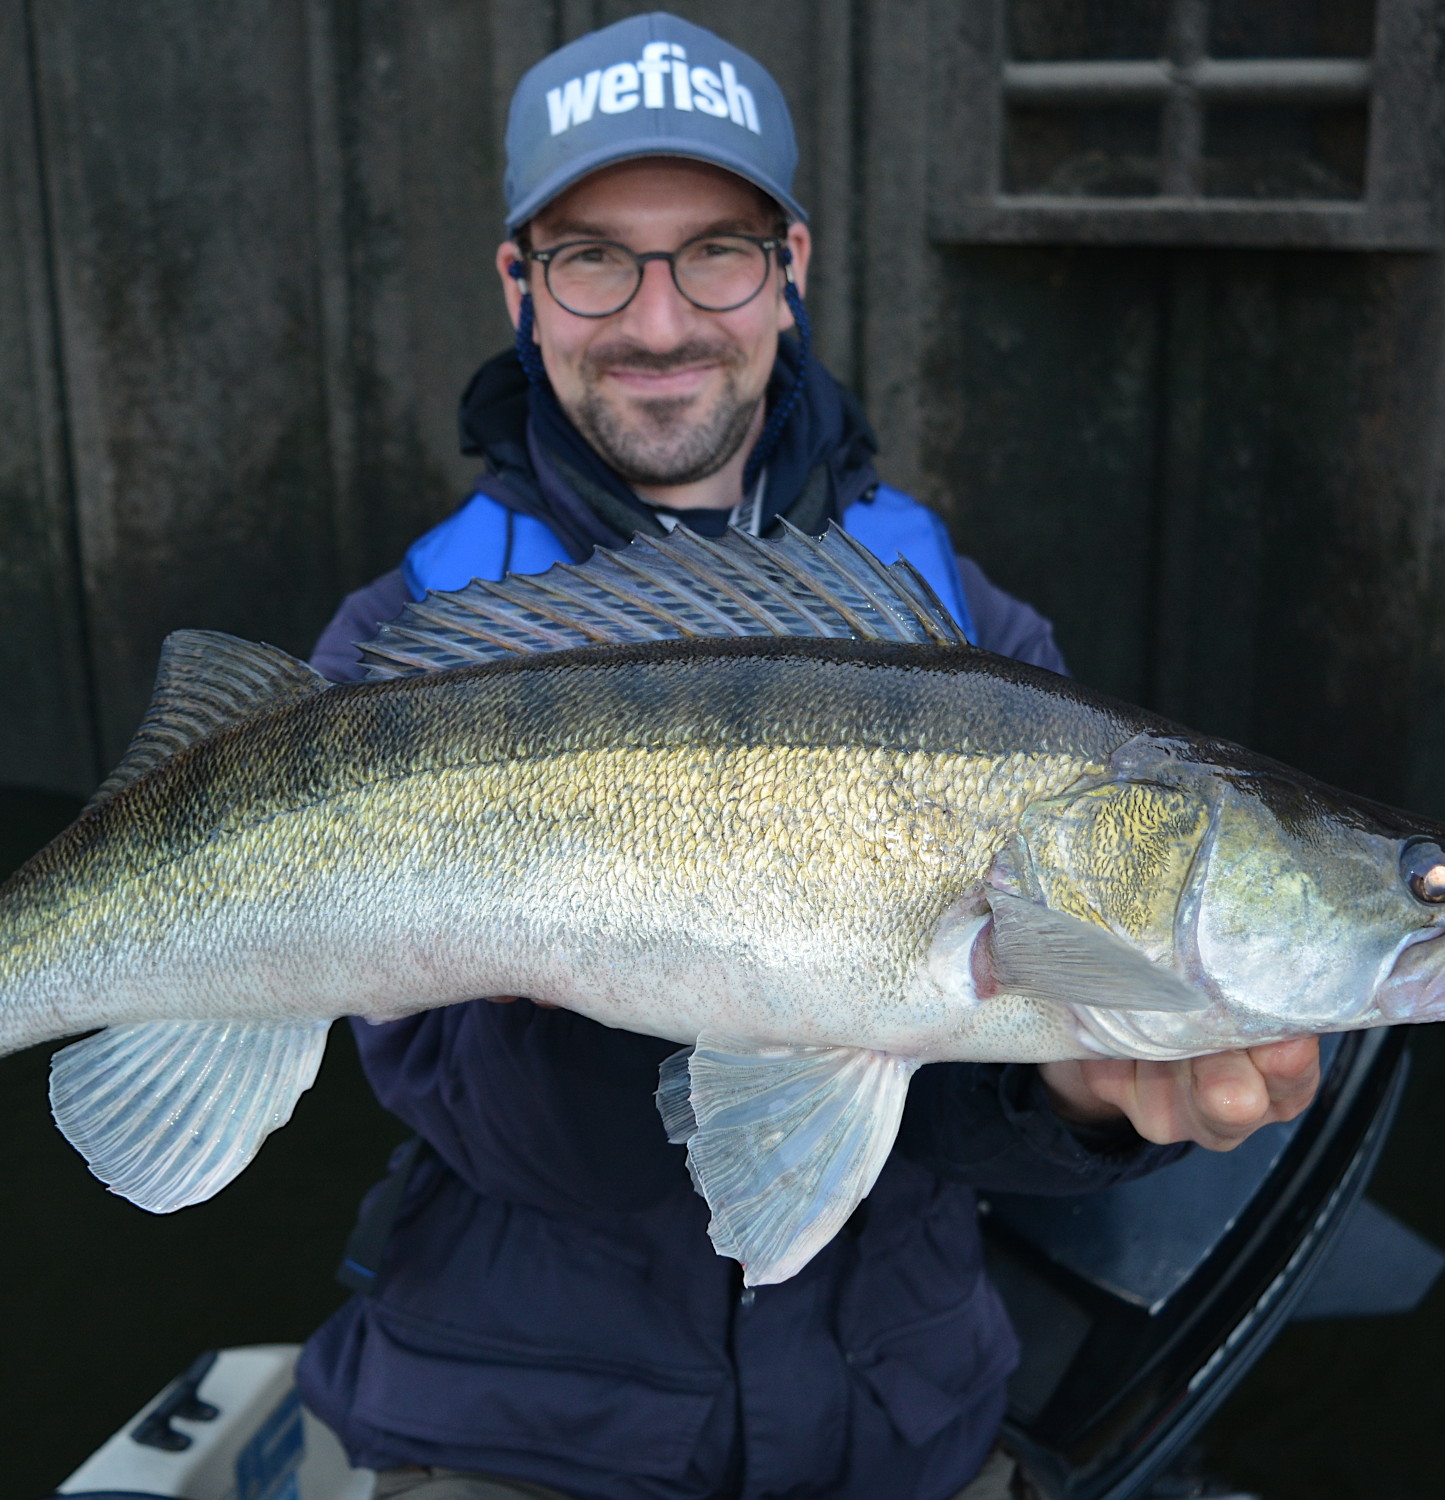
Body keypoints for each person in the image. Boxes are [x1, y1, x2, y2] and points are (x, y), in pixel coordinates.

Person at [297, 15, 1320, 1500]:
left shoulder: (973, 636)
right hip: (521, 1430)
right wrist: (610, 944)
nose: (657, 322)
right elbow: (510, 1140)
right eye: (592, 255)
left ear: (790, 268)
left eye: (713, 250)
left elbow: (982, 1130)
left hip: (901, 1431)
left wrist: (1085, 1095)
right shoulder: (404, 650)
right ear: (522, 284)